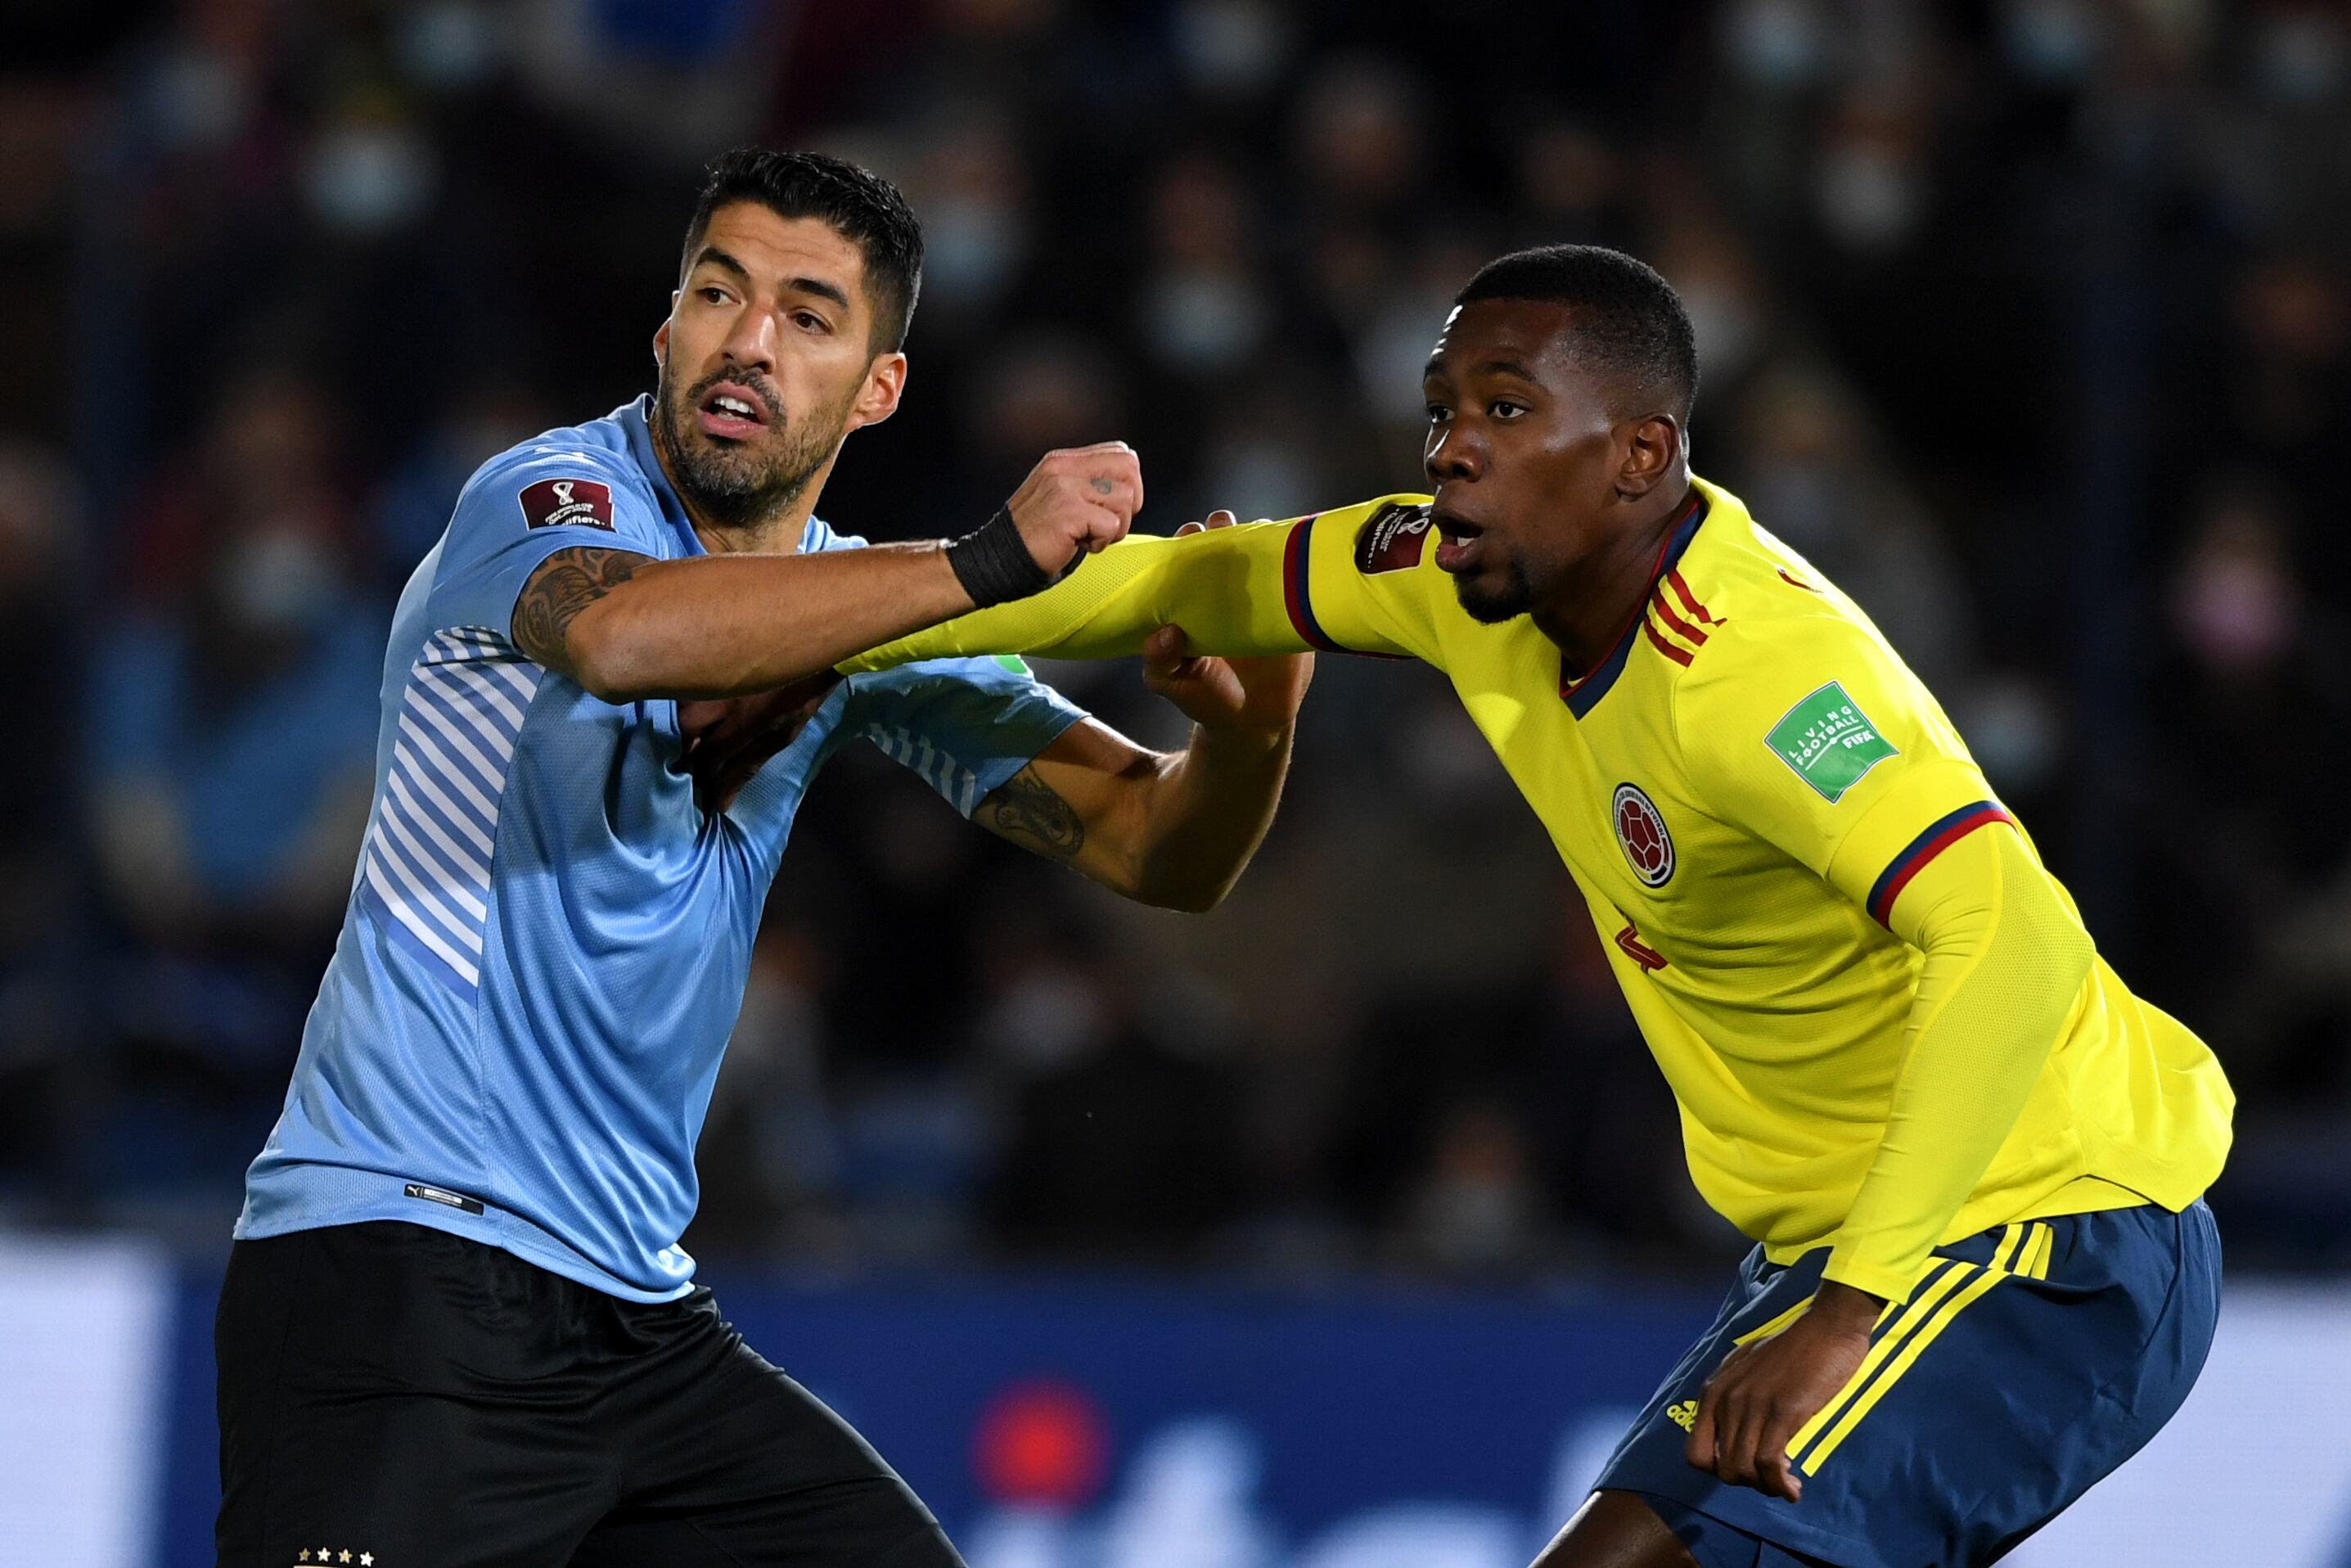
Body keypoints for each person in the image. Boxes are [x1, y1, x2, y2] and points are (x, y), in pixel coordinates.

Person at [841, 245, 2234, 1568]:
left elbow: (2011, 942)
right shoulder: (1457, 578)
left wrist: (1850, 1312)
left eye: (1505, 409)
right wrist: (806, 619)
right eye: (1442, 409)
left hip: (2032, 1225)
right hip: (1863, 1244)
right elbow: (1169, 582)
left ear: (1639, 455)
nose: (1451, 447)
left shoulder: (1763, 678)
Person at [214, 148, 1313, 1567]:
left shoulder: (863, 618)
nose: (747, 341)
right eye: (718, 293)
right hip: (399, 1273)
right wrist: (988, 564)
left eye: (806, 315)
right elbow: (623, 641)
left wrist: (1254, 736)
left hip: (633, 1323)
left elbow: (1158, 849)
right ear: (664, 330)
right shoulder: (543, 501)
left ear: (877, 388)